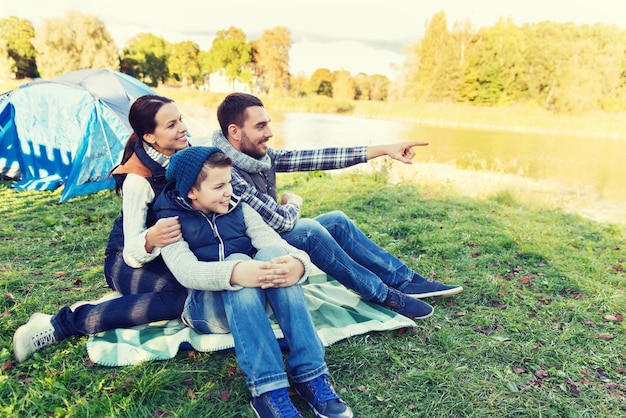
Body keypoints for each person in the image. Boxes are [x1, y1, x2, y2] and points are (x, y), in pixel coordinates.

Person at [211, 92, 463, 320]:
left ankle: (406, 281)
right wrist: (294, 203)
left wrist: (384, 149)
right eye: (260, 126)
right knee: (308, 230)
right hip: (252, 254)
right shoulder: (224, 171)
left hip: (274, 238)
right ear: (234, 131)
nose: (270, 133)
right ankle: (383, 295)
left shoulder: (260, 156)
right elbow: (283, 221)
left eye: (268, 123)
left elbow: (320, 157)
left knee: (336, 220)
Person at [153, 146, 353, 418]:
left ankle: (310, 374)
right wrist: (235, 271)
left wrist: (298, 264)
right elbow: (186, 271)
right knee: (237, 257)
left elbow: (274, 243)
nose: (229, 192)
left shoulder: (240, 208)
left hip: (251, 302)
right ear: (191, 191)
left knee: (274, 254)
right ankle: (267, 391)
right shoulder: (169, 222)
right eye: (219, 186)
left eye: (230, 183)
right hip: (206, 310)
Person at [13, 94, 190, 362]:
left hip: (168, 256)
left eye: (181, 120)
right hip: (125, 260)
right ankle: (61, 324)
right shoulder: (137, 181)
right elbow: (132, 253)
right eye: (172, 125)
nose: (183, 128)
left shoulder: (186, 157)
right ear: (150, 137)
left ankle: (113, 304)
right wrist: (151, 239)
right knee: (175, 299)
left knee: (196, 286)